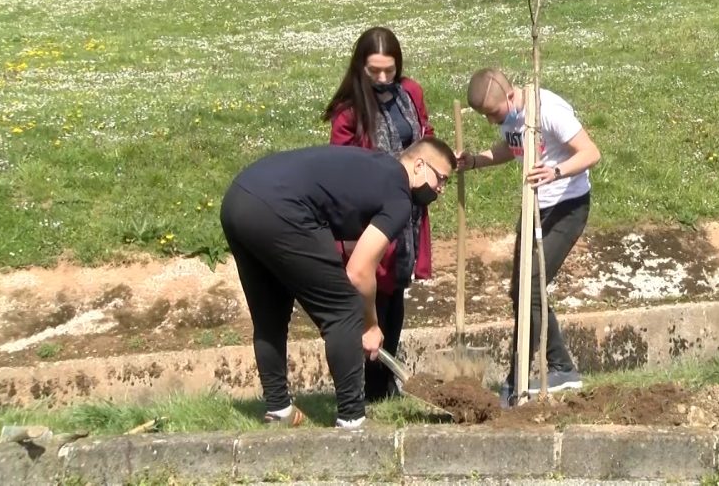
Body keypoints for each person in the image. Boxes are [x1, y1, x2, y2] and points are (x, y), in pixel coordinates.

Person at [219, 138, 456, 430]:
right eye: (441, 179)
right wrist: (370, 324)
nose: (440, 189)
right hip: (283, 209)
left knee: (270, 314)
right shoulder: (398, 197)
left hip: (239, 198)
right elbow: (359, 271)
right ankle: (352, 419)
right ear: (419, 165)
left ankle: (279, 409)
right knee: (344, 310)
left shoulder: (376, 167)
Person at [455, 68, 601, 406]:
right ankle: (562, 367)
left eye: (493, 114)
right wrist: (476, 161)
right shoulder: (510, 119)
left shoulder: (546, 109)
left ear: (509, 96)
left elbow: (590, 151)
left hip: (567, 206)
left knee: (531, 288)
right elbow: (513, 148)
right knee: (520, 289)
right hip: (532, 207)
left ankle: (518, 376)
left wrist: (555, 171)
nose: (492, 122)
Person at [323, 26, 435, 402]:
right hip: (369, 218)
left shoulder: (411, 93)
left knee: (396, 297)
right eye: (375, 71)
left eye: (390, 70)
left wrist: (434, 169)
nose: (384, 78)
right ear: (361, 67)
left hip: (408, 215)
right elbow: (339, 171)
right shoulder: (349, 112)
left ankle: (385, 387)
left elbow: (424, 137)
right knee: (371, 298)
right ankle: (365, 390)